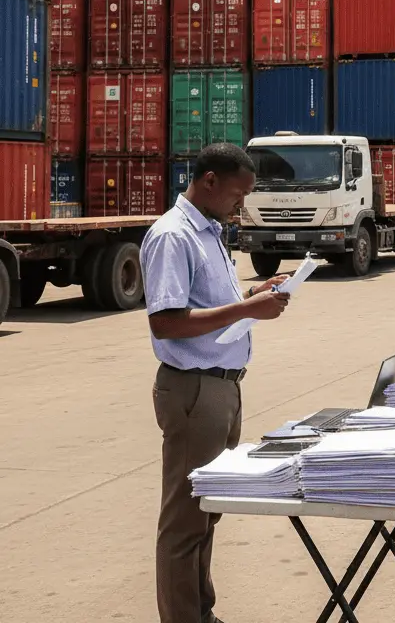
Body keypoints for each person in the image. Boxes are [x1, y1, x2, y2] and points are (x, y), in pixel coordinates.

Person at [142, 143, 292, 623]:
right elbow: (166, 321)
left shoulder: (210, 232)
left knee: (208, 512)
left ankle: (201, 613)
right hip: (195, 390)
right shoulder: (173, 236)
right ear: (209, 180)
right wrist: (248, 310)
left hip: (222, 388)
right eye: (237, 193)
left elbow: (206, 304)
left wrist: (253, 294)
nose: (240, 205)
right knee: (185, 521)